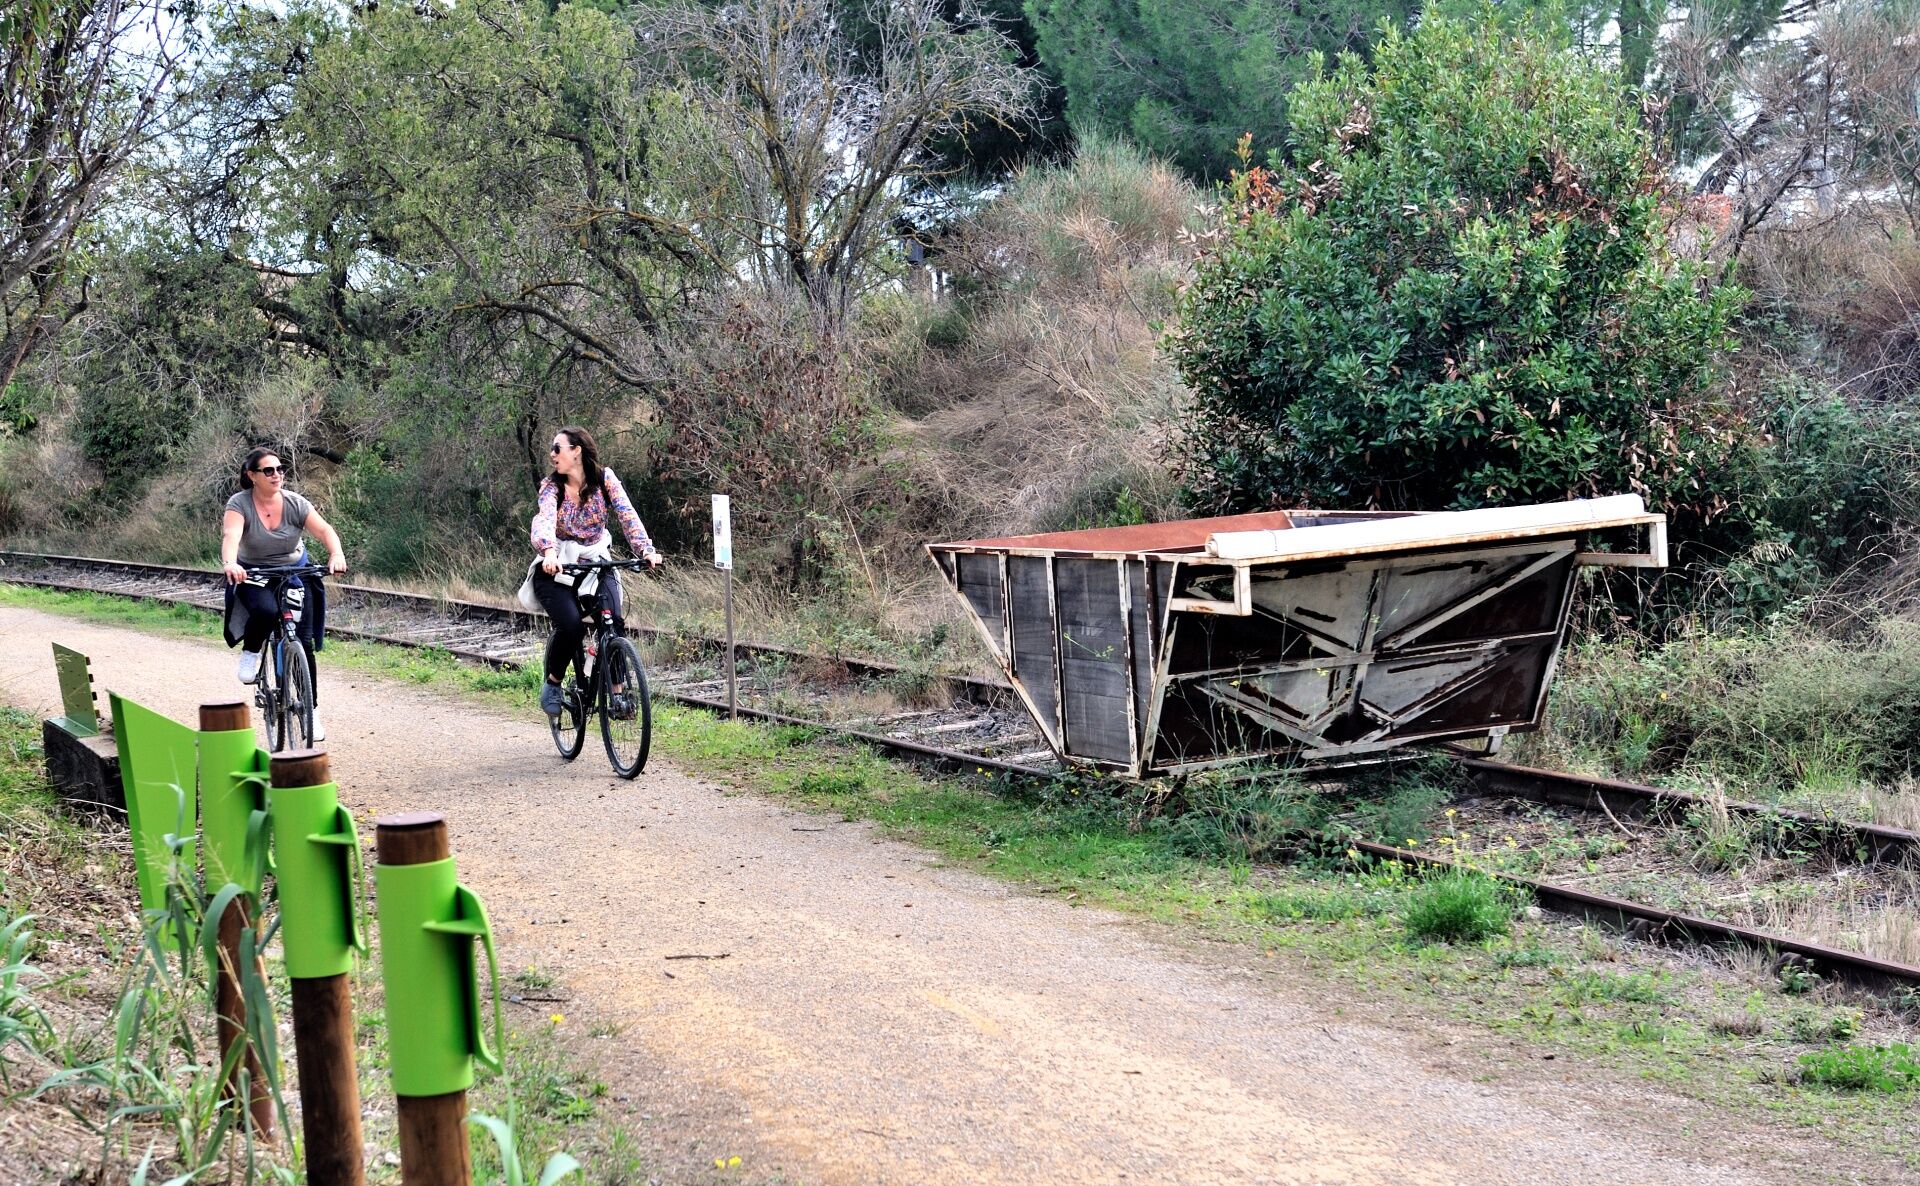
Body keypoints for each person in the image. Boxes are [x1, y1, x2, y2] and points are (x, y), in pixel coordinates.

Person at [529, 426, 662, 718]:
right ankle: (553, 682)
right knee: (572, 627)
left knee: (612, 622)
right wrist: (549, 552)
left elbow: (628, 516)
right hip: (558, 566)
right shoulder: (552, 487)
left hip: (596, 563)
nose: (552, 454)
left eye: (557, 448)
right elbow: (544, 519)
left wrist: (646, 550)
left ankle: (618, 696)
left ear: (576, 450)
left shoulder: (604, 479)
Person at [220, 447, 349, 741]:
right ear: (252, 475)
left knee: (303, 642)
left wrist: (336, 554)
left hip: (294, 571)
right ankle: (251, 652)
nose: (276, 475)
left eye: (280, 469)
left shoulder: (295, 503)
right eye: (268, 470)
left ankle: (311, 711)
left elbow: (324, 531)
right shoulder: (239, 503)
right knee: (265, 612)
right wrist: (230, 564)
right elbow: (231, 536)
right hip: (254, 574)